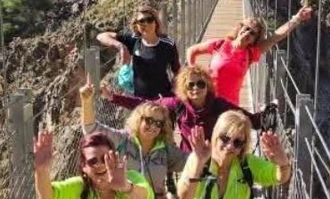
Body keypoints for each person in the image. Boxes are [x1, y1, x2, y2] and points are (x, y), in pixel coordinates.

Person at [80, 86, 185, 199]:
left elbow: (186, 161)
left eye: (159, 123)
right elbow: (91, 128)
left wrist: (206, 154)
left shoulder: (165, 149)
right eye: (149, 121)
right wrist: (86, 102)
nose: (153, 127)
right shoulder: (122, 141)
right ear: (138, 119)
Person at [101, 65, 261, 153]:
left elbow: (247, 119)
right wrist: (113, 97)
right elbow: (146, 105)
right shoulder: (178, 105)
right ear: (184, 88)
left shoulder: (219, 105)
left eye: (201, 84)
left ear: (208, 86)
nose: (195, 88)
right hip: (188, 158)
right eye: (190, 85)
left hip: (215, 156)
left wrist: (265, 118)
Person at [187, 6, 315, 106]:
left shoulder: (250, 54)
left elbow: (275, 37)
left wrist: (297, 19)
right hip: (207, 102)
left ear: (254, 40)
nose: (248, 33)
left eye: (253, 33)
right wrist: (191, 74)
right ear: (240, 28)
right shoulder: (219, 44)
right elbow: (192, 50)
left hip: (230, 108)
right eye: (247, 28)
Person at [95, 5, 181, 99]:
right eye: (141, 21)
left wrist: (175, 91)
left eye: (149, 20)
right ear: (136, 25)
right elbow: (101, 36)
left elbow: (177, 71)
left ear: (156, 22)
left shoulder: (168, 44)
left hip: (163, 99)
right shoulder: (134, 40)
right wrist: (121, 46)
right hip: (140, 102)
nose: (146, 24)